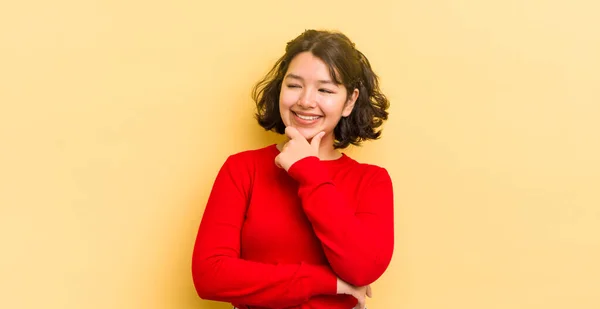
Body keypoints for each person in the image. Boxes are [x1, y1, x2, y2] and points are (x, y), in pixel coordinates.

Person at [191, 29, 394, 309]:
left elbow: (362, 268)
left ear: (349, 101)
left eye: (325, 89)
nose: (306, 101)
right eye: (294, 85)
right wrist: (329, 282)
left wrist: (308, 170)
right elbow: (209, 276)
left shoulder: (371, 181)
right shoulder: (242, 169)